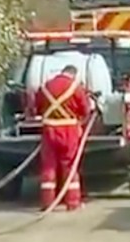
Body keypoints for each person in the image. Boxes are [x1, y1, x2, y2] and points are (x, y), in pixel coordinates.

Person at [35, 64, 90, 211]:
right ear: (74, 74)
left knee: (48, 166)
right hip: (68, 130)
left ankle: (47, 203)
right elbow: (85, 109)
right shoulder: (75, 87)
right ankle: (72, 202)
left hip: (49, 130)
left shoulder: (46, 86)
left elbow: (37, 106)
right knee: (69, 166)